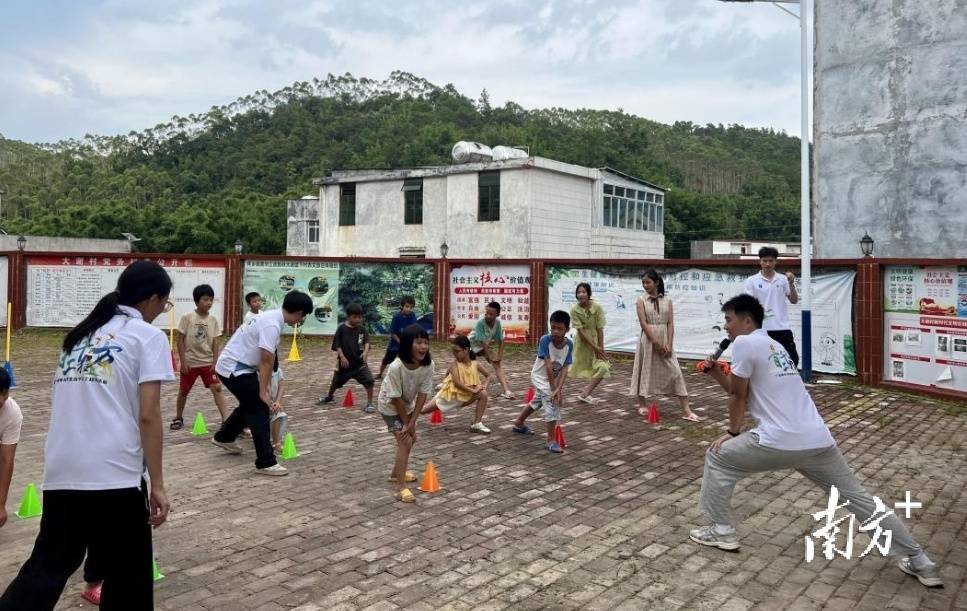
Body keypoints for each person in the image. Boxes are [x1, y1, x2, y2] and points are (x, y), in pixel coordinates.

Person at [690, 294, 943, 588]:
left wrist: (733, 433)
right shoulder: (774, 346)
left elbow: (738, 396)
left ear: (747, 321)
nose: (725, 327)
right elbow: (741, 391)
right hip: (817, 441)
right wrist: (716, 375)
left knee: (718, 457)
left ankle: (721, 530)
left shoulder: (745, 343)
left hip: (779, 440)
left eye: (729, 319)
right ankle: (920, 560)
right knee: (860, 499)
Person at [0, 261, 174, 610]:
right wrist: (157, 483)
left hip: (62, 470)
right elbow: (149, 416)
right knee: (128, 575)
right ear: (153, 299)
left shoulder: (77, 337)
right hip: (114, 473)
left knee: (48, 567)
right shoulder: (147, 337)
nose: (162, 312)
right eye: (164, 304)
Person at [210, 291, 312, 476]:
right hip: (234, 368)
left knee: (249, 404)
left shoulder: (273, 318)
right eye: (303, 316)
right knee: (258, 407)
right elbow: (266, 359)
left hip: (238, 366)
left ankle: (224, 437)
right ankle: (266, 461)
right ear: (299, 313)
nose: (301, 319)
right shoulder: (272, 323)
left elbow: (268, 359)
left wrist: (262, 389)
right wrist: (264, 391)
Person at [631, 270, 700, 422]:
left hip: (665, 339)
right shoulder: (640, 300)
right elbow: (643, 323)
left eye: (648, 282)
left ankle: (687, 411)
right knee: (644, 369)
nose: (645, 285)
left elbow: (670, 323)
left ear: (656, 282)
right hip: (648, 339)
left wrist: (668, 343)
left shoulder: (667, 300)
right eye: (643, 282)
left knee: (676, 372)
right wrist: (655, 343)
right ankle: (642, 403)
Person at [377, 324, 433, 503]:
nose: (423, 346)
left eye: (426, 342)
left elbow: (423, 395)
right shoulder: (395, 367)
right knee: (405, 440)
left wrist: (412, 422)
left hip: (407, 405)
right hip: (389, 406)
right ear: (408, 344)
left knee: (411, 438)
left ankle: (396, 474)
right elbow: (395, 400)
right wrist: (407, 424)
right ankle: (400, 487)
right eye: (418, 342)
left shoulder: (428, 365)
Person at [512, 310, 573, 454]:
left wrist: (559, 389)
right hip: (540, 377)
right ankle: (551, 441)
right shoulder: (545, 340)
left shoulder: (569, 344)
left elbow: (565, 368)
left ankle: (518, 424)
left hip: (552, 381)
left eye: (560, 329)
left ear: (567, 329)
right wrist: (554, 390)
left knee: (538, 401)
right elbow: (547, 365)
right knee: (552, 403)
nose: (556, 332)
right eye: (553, 328)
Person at [170, 284, 229, 430]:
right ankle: (178, 417)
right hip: (190, 363)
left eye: (211, 300)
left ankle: (226, 420)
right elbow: (180, 340)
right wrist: (182, 362)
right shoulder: (187, 318)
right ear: (197, 302)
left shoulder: (213, 320)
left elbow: (216, 342)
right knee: (184, 391)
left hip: (207, 363)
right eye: (205, 299)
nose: (209, 303)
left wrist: (215, 362)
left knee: (217, 388)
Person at [420, 335, 494, 434]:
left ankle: (477, 423)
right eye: (453, 352)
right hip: (449, 397)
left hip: (465, 396)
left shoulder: (475, 364)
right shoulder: (454, 364)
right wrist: (443, 384)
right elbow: (457, 383)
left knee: (483, 394)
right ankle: (407, 412)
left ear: (466, 350)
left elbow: (489, 376)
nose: (454, 354)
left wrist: (484, 385)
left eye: (457, 351)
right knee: (422, 410)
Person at [744, 246, 799, 366]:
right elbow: (748, 303)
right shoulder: (751, 281)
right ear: (760, 261)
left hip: (781, 328)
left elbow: (794, 300)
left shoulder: (783, 279)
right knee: (762, 362)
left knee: (792, 360)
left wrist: (791, 284)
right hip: (761, 328)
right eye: (764, 260)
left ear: (776, 261)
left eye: (770, 260)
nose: (767, 264)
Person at [318, 303, 376, 412]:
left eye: (359, 317)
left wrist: (365, 352)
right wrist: (342, 357)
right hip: (345, 365)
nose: (358, 319)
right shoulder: (341, 329)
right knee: (335, 383)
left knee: (369, 381)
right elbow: (337, 345)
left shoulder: (362, 330)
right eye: (355, 317)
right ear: (348, 317)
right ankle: (329, 397)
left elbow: (367, 342)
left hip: (359, 364)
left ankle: (370, 404)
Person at [569, 283, 611, 403]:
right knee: (574, 369)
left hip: (596, 341)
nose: (581, 294)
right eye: (579, 292)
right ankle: (553, 387)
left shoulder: (597, 307)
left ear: (589, 294)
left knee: (604, 367)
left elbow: (600, 329)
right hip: (583, 344)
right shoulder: (574, 310)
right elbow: (581, 331)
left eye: (584, 292)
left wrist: (601, 348)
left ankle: (585, 393)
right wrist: (595, 347)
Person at [471, 302, 514, 400]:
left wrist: (499, 356)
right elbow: (483, 343)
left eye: (491, 314)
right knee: (462, 363)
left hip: (484, 346)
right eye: (486, 313)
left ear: (497, 315)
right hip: (471, 345)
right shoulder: (480, 323)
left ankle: (506, 390)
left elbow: (501, 340)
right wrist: (489, 357)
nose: (488, 316)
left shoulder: (497, 323)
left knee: (497, 365)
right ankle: (445, 382)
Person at [0, 368, 22, 529]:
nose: (1, 400)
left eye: (4, 393)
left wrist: (1, 505)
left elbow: (6, 459)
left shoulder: (12, 412)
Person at [378, 295, 417, 379]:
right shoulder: (396, 317)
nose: (409, 309)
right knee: (386, 360)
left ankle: (405, 376)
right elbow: (393, 333)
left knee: (405, 361)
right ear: (402, 306)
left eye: (411, 307)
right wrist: (400, 342)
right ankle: (380, 374)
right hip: (394, 345)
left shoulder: (412, 316)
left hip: (406, 344)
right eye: (407, 306)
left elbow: (414, 329)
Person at [268, 353, 287, 454]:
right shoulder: (258, 373)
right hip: (262, 403)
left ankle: (276, 443)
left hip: (273, 403)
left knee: (279, 414)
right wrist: (270, 403)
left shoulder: (278, 371)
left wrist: (277, 402)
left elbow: (282, 386)